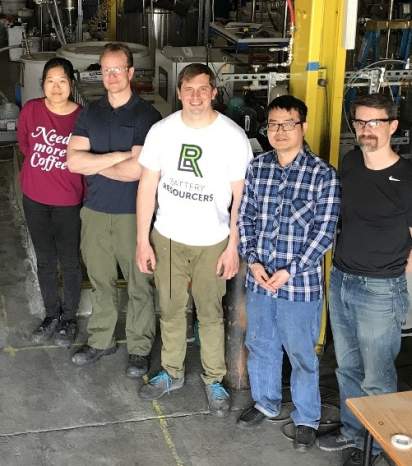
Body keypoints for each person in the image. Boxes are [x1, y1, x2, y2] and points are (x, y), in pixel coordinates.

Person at [316, 93, 412, 465]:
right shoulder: (351, 162)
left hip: (379, 291)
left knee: (378, 378)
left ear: (393, 127)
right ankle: (354, 432)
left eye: (375, 123)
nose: (366, 130)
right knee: (348, 367)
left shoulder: (410, 184)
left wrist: (387, 278)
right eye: (360, 122)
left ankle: (381, 448)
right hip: (342, 280)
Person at [135, 63, 252, 415]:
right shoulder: (162, 131)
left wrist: (234, 246)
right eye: (189, 89)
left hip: (212, 241)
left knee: (210, 313)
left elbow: (241, 199)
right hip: (168, 237)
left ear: (215, 92)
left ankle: (213, 379)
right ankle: (172, 372)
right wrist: (143, 239)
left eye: (203, 89)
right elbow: (147, 186)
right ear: (179, 92)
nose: (196, 96)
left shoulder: (232, 136)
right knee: (170, 309)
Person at [236, 95, 341, 451]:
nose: (279, 132)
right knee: (260, 344)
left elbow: (323, 234)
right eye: (273, 125)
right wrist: (252, 260)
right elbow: (245, 217)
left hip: (299, 285)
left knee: (300, 353)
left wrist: (288, 271)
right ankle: (265, 402)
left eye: (288, 124)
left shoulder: (323, 175)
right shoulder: (258, 167)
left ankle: (307, 417)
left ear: (303, 127)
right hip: (259, 279)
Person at [66, 43, 161, 377]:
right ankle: (101, 339)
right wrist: (118, 157)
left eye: (118, 69)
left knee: (138, 284)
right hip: (94, 211)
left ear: (131, 72)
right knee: (100, 282)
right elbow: (72, 160)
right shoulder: (89, 112)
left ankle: (139, 349)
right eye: (105, 70)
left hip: (132, 214)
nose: (111, 76)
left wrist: (93, 163)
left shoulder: (146, 116)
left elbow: (137, 171)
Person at [18, 57, 84, 347]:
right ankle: (51, 315)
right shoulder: (31, 109)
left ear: (71, 83)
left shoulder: (83, 116)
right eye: (50, 81)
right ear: (42, 83)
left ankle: (69, 318)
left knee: (69, 260)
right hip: (35, 198)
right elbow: (25, 144)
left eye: (62, 81)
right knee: (45, 259)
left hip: (69, 200)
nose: (56, 87)